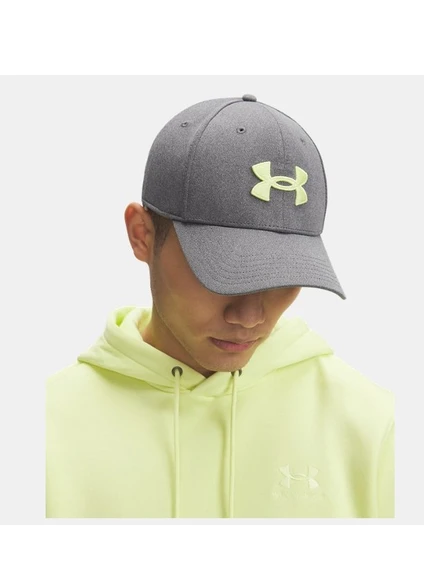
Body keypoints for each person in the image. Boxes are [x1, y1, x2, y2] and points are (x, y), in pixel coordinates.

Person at [46, 93, 395, 519]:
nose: (250, 318)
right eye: (221, 272)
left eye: (282, 276)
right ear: (142, 235)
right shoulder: (43, 431)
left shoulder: (372, 425)